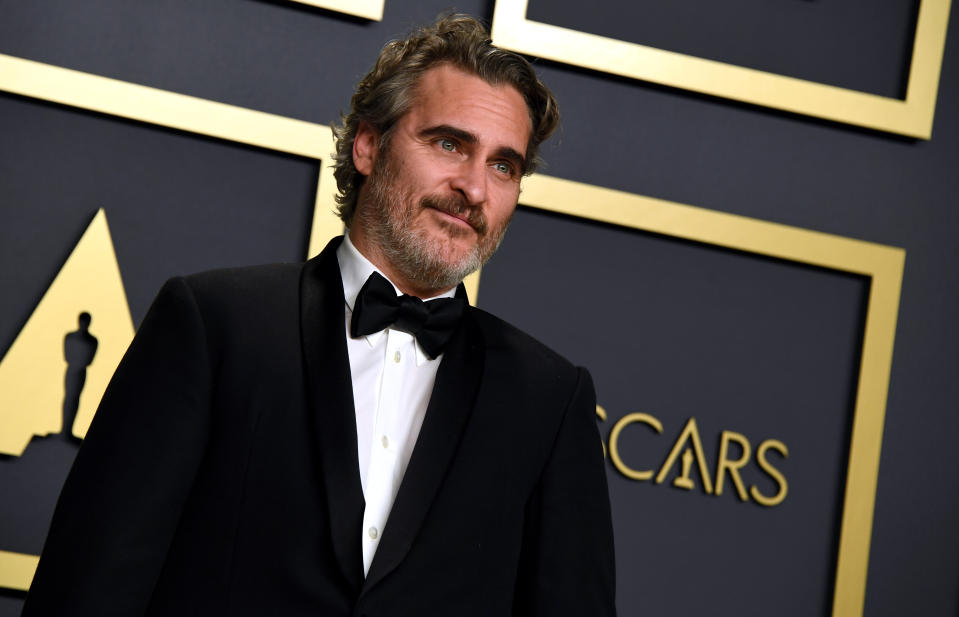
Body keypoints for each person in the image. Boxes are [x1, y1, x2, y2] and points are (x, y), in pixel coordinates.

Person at [23, 14, 616, 616]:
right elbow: (88, 588)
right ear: (367, 145)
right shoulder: (216, 326)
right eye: (448, 143)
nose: (475, 187)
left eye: (503, 166)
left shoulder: (547, 399)